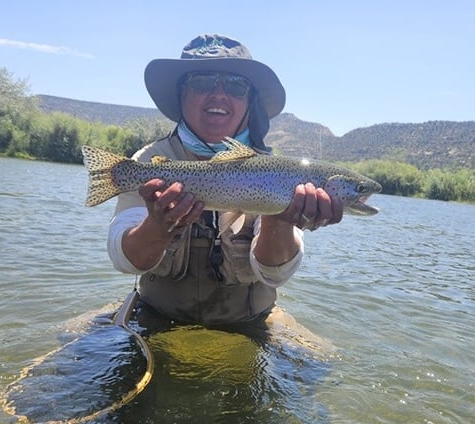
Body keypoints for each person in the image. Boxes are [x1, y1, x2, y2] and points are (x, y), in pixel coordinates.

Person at [107, 34, 343, 329]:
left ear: (249, 102)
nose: (219, 95)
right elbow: (123, 260)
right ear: (182, 94)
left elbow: (274, 274)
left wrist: (280, 220)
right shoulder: (151, 160)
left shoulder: (277, 171)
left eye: (235, 86)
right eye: (203, 82)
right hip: (156, 320)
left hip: (252, 323)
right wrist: (157, 227)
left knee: (325, 363)